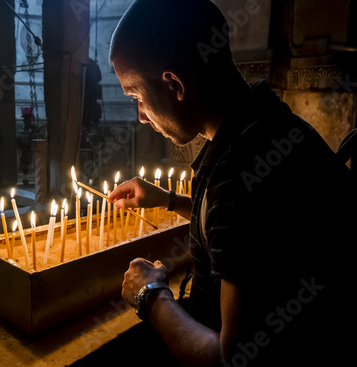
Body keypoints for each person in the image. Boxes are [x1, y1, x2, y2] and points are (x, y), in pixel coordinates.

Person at [101, 0, 356, 366]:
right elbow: (249, 230)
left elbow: (231, 358)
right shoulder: (270, 123)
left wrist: (152, 296)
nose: (140, 116)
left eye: (137, 97)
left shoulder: (237, 175)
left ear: (174, 84)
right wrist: (169, 200)